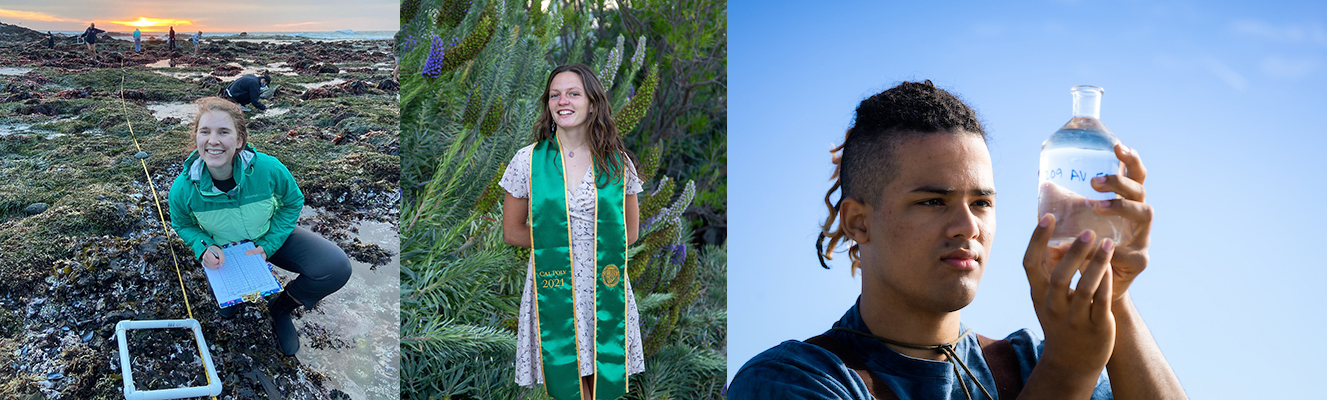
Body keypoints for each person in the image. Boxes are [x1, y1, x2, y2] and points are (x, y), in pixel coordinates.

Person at [729, 81, 1187, 399]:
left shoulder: (1028, 361)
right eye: (932, 201)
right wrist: (1068, 374)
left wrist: (1114, 295)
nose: (967, 226)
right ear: (857, 223)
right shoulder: (793, 380)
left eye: (982, 203)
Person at [500, 63, 644, 400]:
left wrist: (589, 244)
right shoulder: (528, 161)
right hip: (553, 283)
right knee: (568, 388)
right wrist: (560, 244)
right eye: (555, 95)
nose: (562, 101)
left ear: (592, 103)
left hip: (603, 284)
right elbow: (511, 231)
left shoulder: (617, 162)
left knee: (602, 389)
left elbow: (631, 232)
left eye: (573, 93)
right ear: (548, 105)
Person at [167, 97, 352, 356]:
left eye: (224, 132)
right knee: (227, 312)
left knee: (335, 268)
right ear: (196, 137)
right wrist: (204, 247)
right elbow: (183, 224)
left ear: (240, 140)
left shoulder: (268, 168)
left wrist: (269, 244)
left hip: (268, 237)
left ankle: (280, 308)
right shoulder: (183, 188)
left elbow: (293, 201)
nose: (213, 141)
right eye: (205, 132)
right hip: (226, 253)